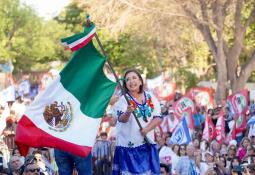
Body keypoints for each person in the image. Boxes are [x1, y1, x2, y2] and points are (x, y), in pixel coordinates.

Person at [112, 69, 162, 174]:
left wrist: (147, 129)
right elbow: (121, 119)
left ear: (140, 81)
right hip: (128, 149)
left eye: (134, 78)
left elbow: (158, 117)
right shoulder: (123, 100)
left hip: (146, 146)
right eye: (128, 80)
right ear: (125, 84)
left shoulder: (150, 97)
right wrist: (127, 112)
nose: (131, 81)